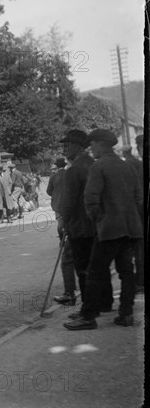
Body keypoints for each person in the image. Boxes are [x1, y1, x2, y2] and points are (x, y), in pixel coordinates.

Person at [65, 129, 143, 330]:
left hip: (109, 229)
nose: (91, 149)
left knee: (94, 272)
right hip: (130, 228)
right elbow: (138, 197)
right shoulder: (127, 167)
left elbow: (90, 199)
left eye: (93, 145)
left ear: (101, 144)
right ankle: (126, 314)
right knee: (127, 272)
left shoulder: (99, 167)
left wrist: (98, 219)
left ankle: (88, 316)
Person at [59, 129, 113, 314]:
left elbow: (68, 202)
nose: (64, 150)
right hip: (98, 225)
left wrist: (63, 223)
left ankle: (89, 308)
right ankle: (106, 302)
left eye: (67, 145)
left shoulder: (73, 170)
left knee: (83, 269)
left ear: (76, 146)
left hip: (80, 227)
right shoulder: (94, 164)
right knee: (100, 266)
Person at [47, 157, 77, 306]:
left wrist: (55, 196)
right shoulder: (69, 174)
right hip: (69, 207)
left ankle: (63, 240)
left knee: (61, 225)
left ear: (56, 166)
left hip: (59, 206)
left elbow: (48, 191)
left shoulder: (53, 177)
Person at [124, 139, 145, 293]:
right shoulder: (139, 163)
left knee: (138, 249)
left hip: (137, 211)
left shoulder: (128, 165)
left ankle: (140, 281)